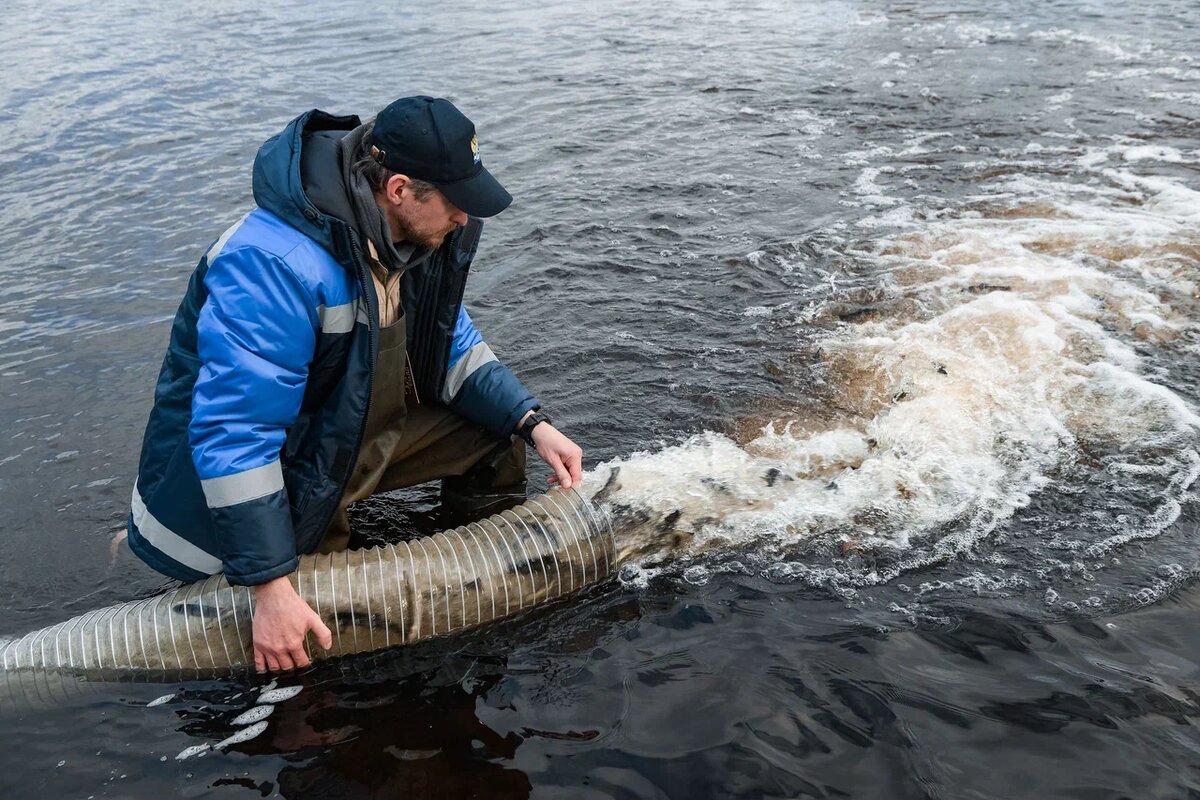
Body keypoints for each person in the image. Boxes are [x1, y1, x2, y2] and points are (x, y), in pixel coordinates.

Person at [126, 96, 583, 673]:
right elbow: (237, 433)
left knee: (495, 436)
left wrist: (533, 422)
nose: (464, 218)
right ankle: (310, 608)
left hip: (334, 433)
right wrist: (269, 589)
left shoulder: (416, 239)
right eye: (455, 203)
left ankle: (477, 576)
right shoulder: (271, 264)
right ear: (397, 190)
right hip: (252, 479)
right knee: (322, 653)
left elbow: (451, 347)